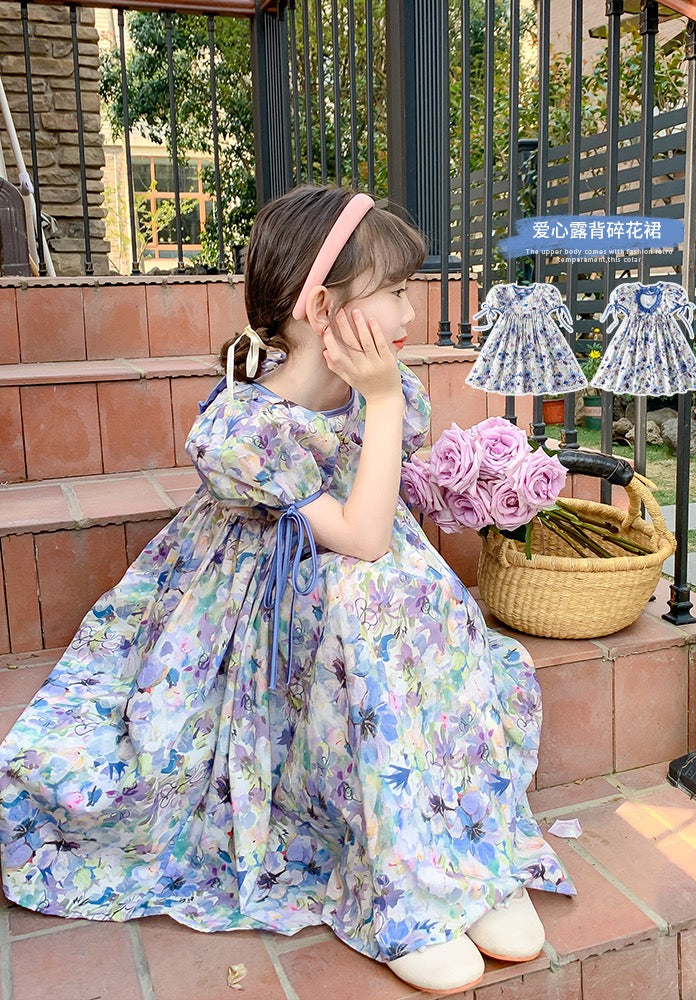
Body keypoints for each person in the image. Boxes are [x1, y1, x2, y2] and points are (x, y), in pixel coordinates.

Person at [0, 186, 573, 995]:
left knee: (416, 597)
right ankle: (402, 881)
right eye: (395, 290)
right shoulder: (249, 427)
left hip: (362, 580)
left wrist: (389, 409)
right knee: (368, 596)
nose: (412, 310)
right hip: (257, 603)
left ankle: (465, 846)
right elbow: (362, 538)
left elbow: (380, 529)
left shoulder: (384, 390)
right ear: (323, 306)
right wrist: (380, 399)